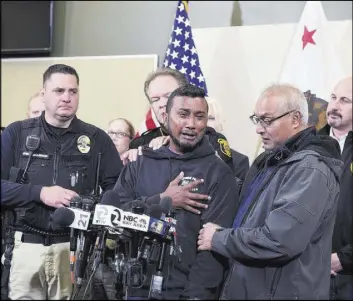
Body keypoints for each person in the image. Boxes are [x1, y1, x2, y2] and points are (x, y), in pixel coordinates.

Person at [197, 83, 343, 299]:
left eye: (266, 120)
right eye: (256, 119)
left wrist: (218, 239)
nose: (258, 128)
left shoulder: (310, 169)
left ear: (295, 119)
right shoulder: (271, 159)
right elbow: (249, 212)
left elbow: (278, 241)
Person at [1, 64, 123, 300]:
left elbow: (117, 192)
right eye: (59, 91)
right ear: (43, 93)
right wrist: (40, 193)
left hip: (75, 250)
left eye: (73, 91)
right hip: (24, 247)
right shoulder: (16, 134)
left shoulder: (97, 139)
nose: (67, 98)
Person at [112, 84, 239, 299]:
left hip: (183, 292)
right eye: (183, 114)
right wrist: (162, 200)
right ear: (165, 117)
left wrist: (194, 296)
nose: (191, 124)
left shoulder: (219, 174)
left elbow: (213, 250)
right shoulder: (140, 163)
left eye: (200, 117)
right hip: (132, 287)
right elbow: (114, 216)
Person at [123, 68, 236, 175]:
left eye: (168, 96)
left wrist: (171, 143)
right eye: (155, 100)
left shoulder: (209, 138)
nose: (162, 104)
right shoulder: (140, 144)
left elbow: (224, 178)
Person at [318, 76, 352, 300]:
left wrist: (345, 258)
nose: (334, 106)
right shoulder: (308, 145)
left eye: (344, 100)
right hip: (306, 270)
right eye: (333, 98)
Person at [207, 97, 249, 182]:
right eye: (200, 117)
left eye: (211, 118)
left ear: (220, 123)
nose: (206, 123)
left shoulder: (239, 161)